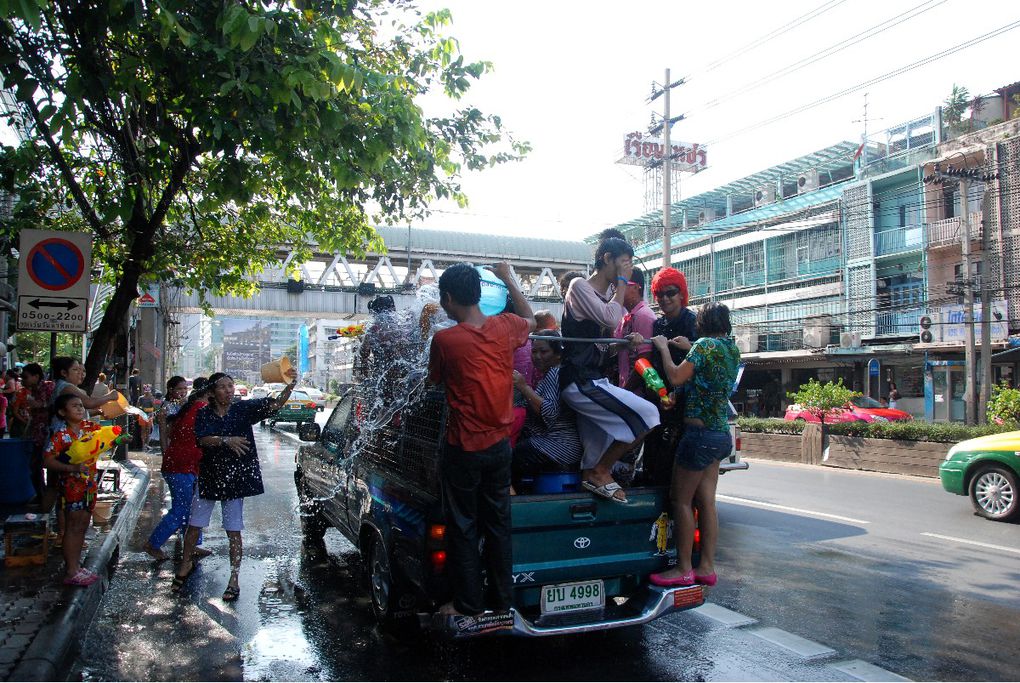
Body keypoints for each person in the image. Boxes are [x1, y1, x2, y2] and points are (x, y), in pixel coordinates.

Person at [428, 262, 535, 617]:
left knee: (463, 526)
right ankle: (502, 601)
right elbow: (532, 320)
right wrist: (509, 277)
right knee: (499, 525)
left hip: (463, 448)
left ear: (447, 298)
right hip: (500, 448)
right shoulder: (506, 327)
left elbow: (433, 382)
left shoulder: (444, 340)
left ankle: (469, 605)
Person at [174, 369, 299, 601]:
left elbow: (275, 404)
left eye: (230, 386)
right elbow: (201, 439)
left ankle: (234, 578)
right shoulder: (204, 413)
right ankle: (185, 564)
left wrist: (290, 386)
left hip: (235, 479)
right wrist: (226, 441)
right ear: (212, 392)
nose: (228, 390)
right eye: (223, 387)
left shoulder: (243, 409)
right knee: (195, 524)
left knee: (234, 530)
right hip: (210, 477)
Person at [559, 238, 659, 503]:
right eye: (624, 262)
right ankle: (601, 471)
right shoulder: (579, 286)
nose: (628, 268)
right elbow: (611, 317)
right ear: (606, 258)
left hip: (592, 379)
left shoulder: (603, 297)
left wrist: (625, 344)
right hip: (581, 382)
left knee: (595, 449)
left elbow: (601, 346)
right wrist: (624, 282)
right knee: (649, 414)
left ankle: (590, 490)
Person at [648, 302, 741, 588]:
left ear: (701, 323)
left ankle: (684, 568)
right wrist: (690, 347)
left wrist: (664, 348)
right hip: (719, 434)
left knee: (681, 500)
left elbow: (675, 375)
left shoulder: (703, 346)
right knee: (707, 502)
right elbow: (705, 376)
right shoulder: (730, 348)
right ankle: (707, 567)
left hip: (698, 435)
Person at [638, 267, 699, 484]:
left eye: (670, 292)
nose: (665, 298)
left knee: (675, 464)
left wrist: (676, 394)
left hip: (684, 402)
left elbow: (699, 363)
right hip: (659, 398)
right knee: (654, 459)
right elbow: (652, 363)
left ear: (682, 294)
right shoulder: (657, 324)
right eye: (660, 294)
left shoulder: (692, 321)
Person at [143, 378, 213, 562]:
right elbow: (167, 433)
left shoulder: (189, 407)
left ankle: (192, 544)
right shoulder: (198, 409)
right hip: (180, 466)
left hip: (185, 465)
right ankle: (153, 544)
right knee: (181, 509)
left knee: (189, 508)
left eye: (185, 389)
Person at [43, 394, 102, 586]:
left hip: (89, 485)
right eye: (74, 406)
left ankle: (76, 566)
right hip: (71, 487)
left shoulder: (89, 428)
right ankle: (71, 570)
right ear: (62, 412)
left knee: (83, 525)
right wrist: (72, 468)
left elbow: (106, 438)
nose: (79, 408)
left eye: (81, 405)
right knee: (73, 527)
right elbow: (48, 460)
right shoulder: (61, 435)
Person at [511, 331, 582, 489]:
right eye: (534, 351)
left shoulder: (554, 373)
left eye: (544, 351)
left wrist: (523, 387)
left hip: (558, 446)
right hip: (563, 446)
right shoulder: (554, 373)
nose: (537, 356)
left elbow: (550, 412)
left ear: (558, 354)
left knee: (507, 458)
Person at [613, 266, 656, 392]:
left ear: (636, 288)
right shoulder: (627, 317)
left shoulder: (643, 316)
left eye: (621, 285)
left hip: (637, 394)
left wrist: (626, 392)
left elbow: (645, 360)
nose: (617, 291)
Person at [49, 357, 118, 430]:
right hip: (63, 434)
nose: (80, 373)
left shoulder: (70, 387)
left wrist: (98, 412)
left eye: (81, 370)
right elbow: (89, 403)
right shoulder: (65, 387)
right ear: (64, 373)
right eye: (75, 370)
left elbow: (79, 412)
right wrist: (110, 396)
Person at [137, 384, 156, 450]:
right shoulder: (141, 398)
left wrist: (152, 400)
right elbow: (138, 406)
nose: (147, 392)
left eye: (148, 390)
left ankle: (146, 444)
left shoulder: (151, 398)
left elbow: (154, 407)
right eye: (146, 390)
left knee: (148, 430)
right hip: (143, 415)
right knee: (143, 430)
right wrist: (142, 408)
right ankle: (143, 445)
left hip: (149, 415)